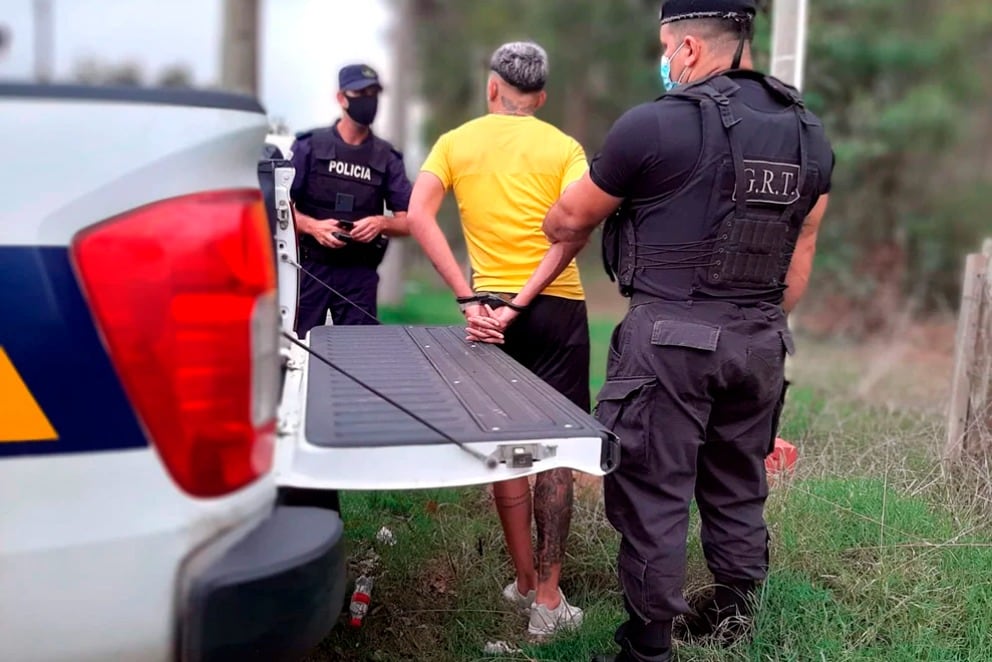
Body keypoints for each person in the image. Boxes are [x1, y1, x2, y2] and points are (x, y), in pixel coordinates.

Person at [472, 2, 834, 659]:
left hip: (670, 343)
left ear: (690, 48)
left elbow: (565, 220)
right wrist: (746, 318)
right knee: (737, 482)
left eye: (667, 49)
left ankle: (647, 645)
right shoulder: (810, 136)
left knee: (653, 493)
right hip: (760, 340)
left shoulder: (654, 126)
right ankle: (731, 616)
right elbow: (796, 274)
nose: (666, 62)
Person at [405, 42, 590, 637]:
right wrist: (524, 299)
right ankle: (548, 601)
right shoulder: (564, 147)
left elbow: (416, 216)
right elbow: (576, 230)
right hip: (555, 307)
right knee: (556, 452)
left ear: (493, 88)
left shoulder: (456, 142)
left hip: (486, 310)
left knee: (505, 446)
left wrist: (471, 297)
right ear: (540, 97)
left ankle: (522, 579)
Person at [289, 64, 413, 336]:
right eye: (361, 92)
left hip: (359, 275)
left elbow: (410, 223)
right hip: (311, 269)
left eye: (373, 93)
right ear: (341, 98)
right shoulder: (308, 147)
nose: (368, 100)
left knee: (360, 356)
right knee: (301, 352)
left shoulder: (387, 157)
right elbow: (280, 211)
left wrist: (381, 223)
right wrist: (313, 227)